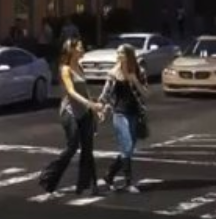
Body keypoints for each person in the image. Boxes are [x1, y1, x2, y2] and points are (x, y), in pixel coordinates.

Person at [38, 37, 107, 197]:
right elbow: (71, 91)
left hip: (84, 112)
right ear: (72, 50)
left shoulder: (80, 67)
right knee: (72, 147)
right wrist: (90, 105)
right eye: (80, 47)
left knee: (88, 149)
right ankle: (48, 178)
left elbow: (85, 91)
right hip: (70, 113)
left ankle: (86, 186)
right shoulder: (65, 69)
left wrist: (95, 109)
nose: (83, 48)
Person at [99, 44, 148, 193]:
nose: (119, 56)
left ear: (129, 55)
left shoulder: (139, 72)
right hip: (119, 113)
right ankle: (128, 183)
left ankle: (109, 175)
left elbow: (146, 93)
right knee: (126, 146)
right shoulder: (113, 73)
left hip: (135, 113)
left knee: (128, 149)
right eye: (118, 53)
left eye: (122, 53)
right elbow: (105, 94)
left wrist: (134, 80)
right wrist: (101, 108)